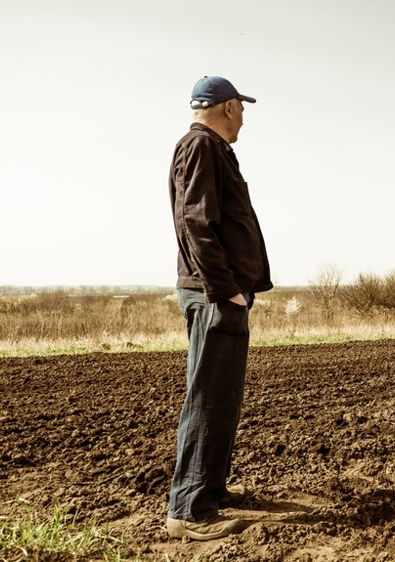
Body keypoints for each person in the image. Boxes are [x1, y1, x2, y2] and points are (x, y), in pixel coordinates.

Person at [165, 75, 273, 541]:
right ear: (227, 107)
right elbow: (195, 222)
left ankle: (209, 490)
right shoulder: (201, 147)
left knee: (222, 397)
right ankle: (189, 509)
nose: (245, 117)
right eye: (242, 108)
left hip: (219, 294)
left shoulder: (209, 149)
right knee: (209, 397)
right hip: (215, 296)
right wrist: (223, 288)